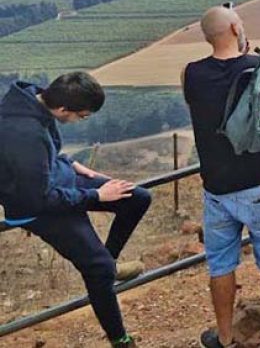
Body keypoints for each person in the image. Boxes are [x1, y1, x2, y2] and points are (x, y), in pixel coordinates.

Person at [183, 6, 260, 348]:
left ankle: (224, 338)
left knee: (220, 264)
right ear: (237, 28)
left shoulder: (190, 74)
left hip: (217, 189)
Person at [0, 73, 151, 348]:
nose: (82, 120)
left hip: (56, 183)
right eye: (82, 116)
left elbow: (41, 156)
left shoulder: (34, 100)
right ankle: (121, 340)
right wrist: (96, 195)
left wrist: (67, 162)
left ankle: (111, 265)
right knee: (98, 268)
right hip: (38, 207)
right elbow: (37, 198)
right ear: (62, 109)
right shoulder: (24, 133)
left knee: (137, 198)